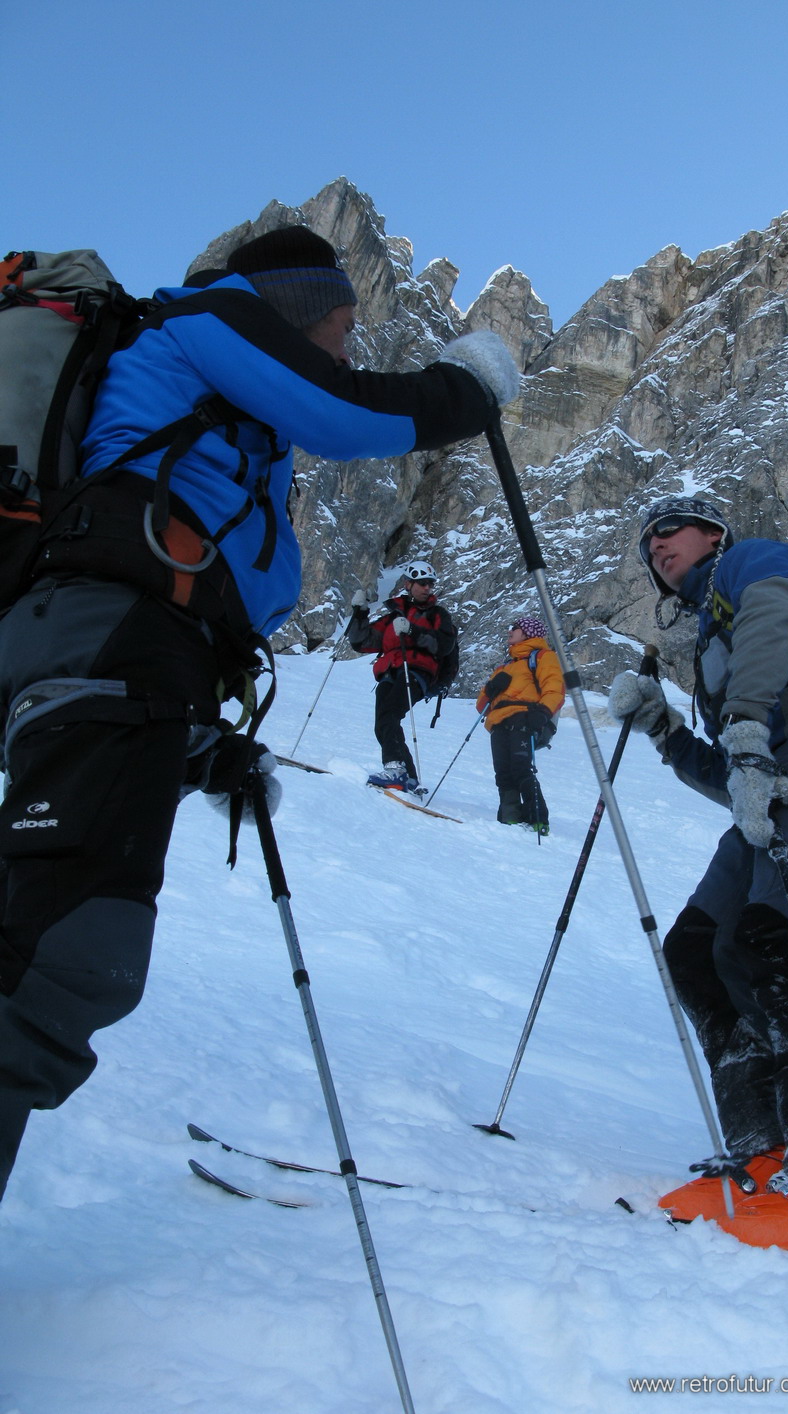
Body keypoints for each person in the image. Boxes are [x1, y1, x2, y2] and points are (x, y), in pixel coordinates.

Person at [0, 225, 520, 1199]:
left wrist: (201, 739)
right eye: (341, 323)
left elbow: (198, 569)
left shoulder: (219, 416)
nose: (350, 346)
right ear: (288, 304)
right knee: (64, 956)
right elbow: (342, 413)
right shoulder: (208, 319)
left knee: (54, 945)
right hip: (107, 639)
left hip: (123, 652)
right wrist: (467, 388)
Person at [608, 494, 788, 1246]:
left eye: (669, 529)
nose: (656, 545)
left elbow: (773, 620)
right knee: (698, 950)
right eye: (648, 543)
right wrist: (664, 729)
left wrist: (741, 730)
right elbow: (728, 773)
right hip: (772, 794)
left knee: (779, 935)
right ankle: (765, 1146)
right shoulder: (713, 628)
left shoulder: (754, 561)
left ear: (713, 533)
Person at [346, 560, 456, 793]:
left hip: (417, 671)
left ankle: (396, 770)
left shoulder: (438, 614)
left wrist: (412, 631)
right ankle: (409, 778)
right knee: (383, 723)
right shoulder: (394, 615)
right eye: (422, 583)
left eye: (430, 584)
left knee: (389, 715)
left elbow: (444, 644)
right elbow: (361, 641)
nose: (428, 588)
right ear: (408, 584)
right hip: (390, 671)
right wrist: (359, 613)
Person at [476, 614, 564, 833]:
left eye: (514, 628)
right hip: (498, 722)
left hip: (525, 718)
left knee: (520, 769)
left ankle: (538, 819)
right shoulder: (504, 667)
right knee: (503, 772)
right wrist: (490, 689)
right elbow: (482, 707)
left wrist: (542, 712)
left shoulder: (543, 657)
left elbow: (554, 687)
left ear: (527, 633)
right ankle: (510, 817)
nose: (510, 631)